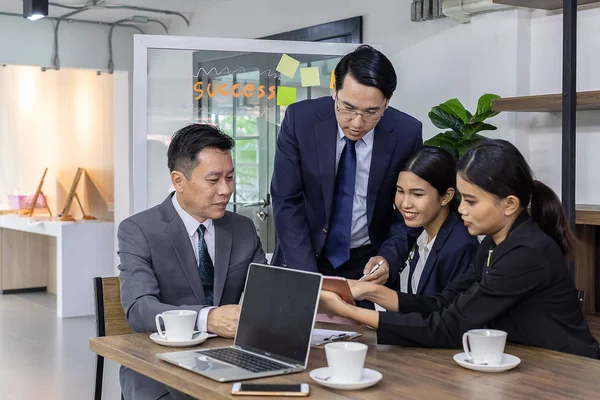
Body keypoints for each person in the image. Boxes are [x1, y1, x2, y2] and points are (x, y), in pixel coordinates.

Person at [319, 139, 600, 359]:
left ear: (510, 204)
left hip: (568, 369)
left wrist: (352, 312)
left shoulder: (526, 252)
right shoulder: (493, 243)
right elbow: (443, 304)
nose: (462, 210)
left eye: (471, 201)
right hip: (533, 362)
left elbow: (450, 327)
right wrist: (368, 290)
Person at [118, 124, 267, 400]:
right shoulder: (139, 230)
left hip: (233, 364)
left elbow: (268, 296)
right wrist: (208, 318)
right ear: (178, 180)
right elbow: (139, 310)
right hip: (159, 368)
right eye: (213, 180)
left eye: (230, 177)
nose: (226, 190)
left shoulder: (242, 228)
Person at [271, 44, 422, 291]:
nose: (357, 123)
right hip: (304, 258)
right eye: (348, 108)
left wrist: (388, 258)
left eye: (372, 111)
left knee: (368, 331)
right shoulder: (301, 120)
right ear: (335, 91)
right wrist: (309, 279)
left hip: (368, 264)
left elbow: (412, 208)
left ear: (387, 102)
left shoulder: (407, 132)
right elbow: (286, 200)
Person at [396, 146, 479, 296]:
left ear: (446, 196)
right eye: (400, 191)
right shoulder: (421, 230)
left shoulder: (461, 247)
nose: (405, 203)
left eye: (417, 194)